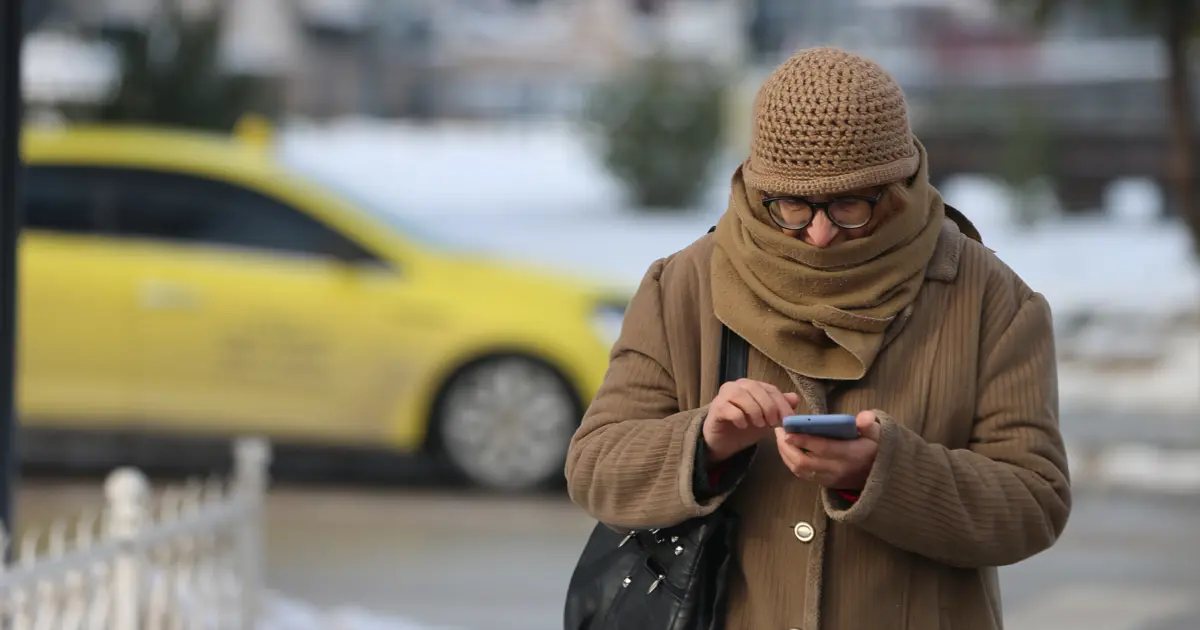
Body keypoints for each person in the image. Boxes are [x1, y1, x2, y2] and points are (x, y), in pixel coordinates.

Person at [565, 46, 1071, 630]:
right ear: (760, 191)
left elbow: (1036, 501)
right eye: (792, 207)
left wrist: (886, 474)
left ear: (899, 184)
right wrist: (704, 443)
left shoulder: (992, 299)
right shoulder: (681, 285)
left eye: (850, 204)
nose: (821, 234)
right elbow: (594, 467)